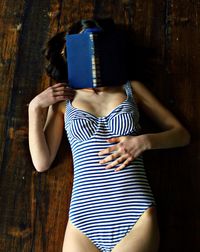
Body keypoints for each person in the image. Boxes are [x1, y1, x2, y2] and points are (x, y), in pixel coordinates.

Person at [28, 18, 190, 252]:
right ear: (71, 50)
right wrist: (35, 108)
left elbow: (182, 135)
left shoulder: (130, 88)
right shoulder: (64, 100)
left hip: (134, 212)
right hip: (83, 220)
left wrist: (144, 142)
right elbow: (42, 163)